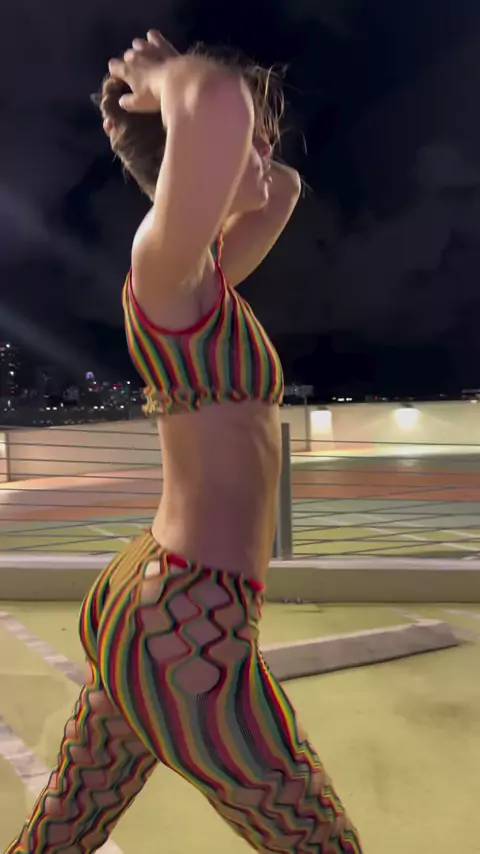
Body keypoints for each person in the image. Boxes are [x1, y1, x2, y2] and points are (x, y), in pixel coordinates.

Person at [5, 30, 362, 854]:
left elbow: (282, 188)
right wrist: (170, 81)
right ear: (186, 155)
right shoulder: (162, 267)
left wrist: (235, 149)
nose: (263, 150)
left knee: (66, 825)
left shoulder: (204, 280)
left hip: (164, 604)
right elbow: (219, 106)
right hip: (188, 622)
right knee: (318, 841)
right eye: (247, 141)